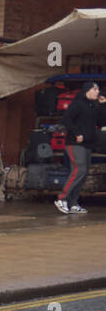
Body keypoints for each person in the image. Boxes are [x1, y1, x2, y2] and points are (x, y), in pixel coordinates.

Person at [57, 82, 98, 214]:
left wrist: (103, 104)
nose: (97, 91)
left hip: (87, 144)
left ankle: (73, 202)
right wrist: (77, 133)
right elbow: (66, 119)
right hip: (75, 143)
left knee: (84, 172)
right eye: (95, 89)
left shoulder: (92, 106)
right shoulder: (78, 104)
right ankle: (62, 198)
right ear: (87, 91)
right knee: (79, 169)